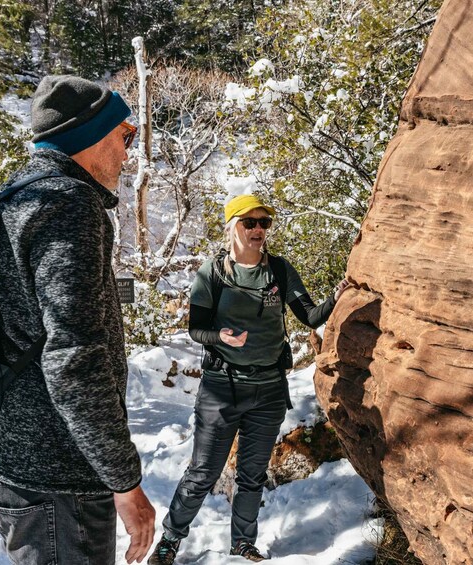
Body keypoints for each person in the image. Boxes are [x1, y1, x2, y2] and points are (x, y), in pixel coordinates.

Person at [0, 75, 154, 565]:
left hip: (9, 454)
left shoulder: (19, 195)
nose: (128, 153)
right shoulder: (67, 206)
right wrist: (123, 480)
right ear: (90, 137)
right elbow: (73, 358)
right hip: (56, 478)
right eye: (125, 136)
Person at [149, 194, 350, 564]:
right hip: (221, 390)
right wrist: (220, 337)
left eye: (264, 223)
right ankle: (170, 540)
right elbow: (196, 328)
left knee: (252, 476)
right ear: (233, 227)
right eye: (250, 222)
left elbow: (308, 316)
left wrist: (338, 296)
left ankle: (242, 544)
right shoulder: (213, 272)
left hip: (269, 390)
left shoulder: (279, 270)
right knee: (202, 473)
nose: (259, 229)